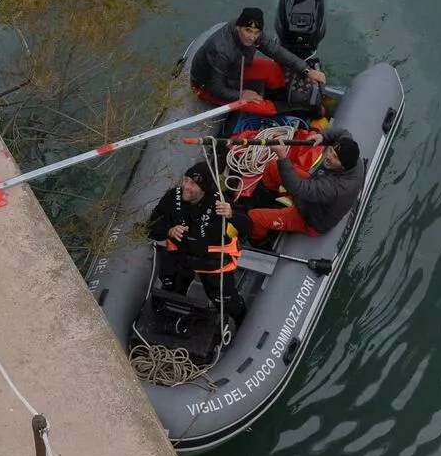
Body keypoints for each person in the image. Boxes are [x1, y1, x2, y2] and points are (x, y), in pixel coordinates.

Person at [145, 160, 248, 328]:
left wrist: (231, 214)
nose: (186, 186)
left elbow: (247, 225)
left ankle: (241, 325)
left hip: (212, 263)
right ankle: (169, 324)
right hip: (181, 257)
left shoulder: (220, 202)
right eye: (185, 180)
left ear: (203, 188)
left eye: (192, 184)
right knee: (171, 288)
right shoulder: (173, 197)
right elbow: (151, 227)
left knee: (226, 301)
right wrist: (169, 231)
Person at [189, 6, 327, 117]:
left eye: (256, 32)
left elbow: (276, 51)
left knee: (273, 69)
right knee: (261, 106)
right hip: (207, 85)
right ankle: (298, 110)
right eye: (247, 31)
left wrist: (306, 70)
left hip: (236, 68)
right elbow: (216, 88)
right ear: (238, 27)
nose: (252, 37)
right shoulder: (220, 50)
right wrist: (241, 94)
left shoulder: (254, 34)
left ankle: (279, 96)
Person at [247, 128, 363, 242]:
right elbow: (343, 133)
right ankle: (261, 202)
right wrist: (323, 136)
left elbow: (297, 188)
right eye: (331, 151)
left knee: (254, 218)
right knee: (273, 166)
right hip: (312, 189)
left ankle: (258, 241)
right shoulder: (351, 158)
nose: (328, 157)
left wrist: (282, 157)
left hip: (308, 217)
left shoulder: (336, 188)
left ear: (343, 167)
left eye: (335, 158)